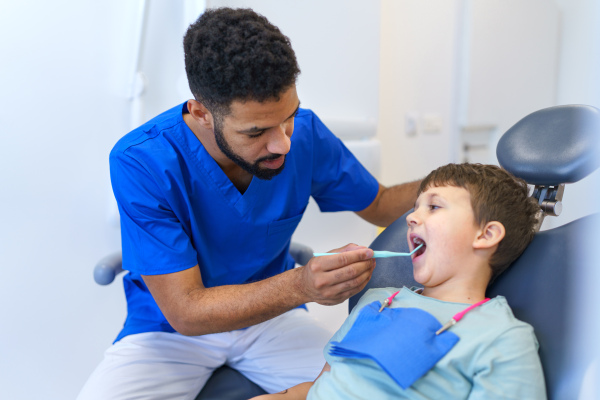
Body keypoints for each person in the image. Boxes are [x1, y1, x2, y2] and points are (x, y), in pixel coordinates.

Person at [77, 7, 420, 400]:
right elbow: (186, 311)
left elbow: (379, 202)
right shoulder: (142, 160)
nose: (283, 144)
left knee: (383, 392)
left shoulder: (304, 134)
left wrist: (461, 179)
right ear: (202, 113)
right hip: (168, 333)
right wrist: (302, 285)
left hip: (272, 321)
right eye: (256, 132)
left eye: (288, 117)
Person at [251, 163, 546, 399]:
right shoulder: (377, 301)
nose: (411, 218)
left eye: (434, 206)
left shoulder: (502, 338)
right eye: (414, 207)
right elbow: (325, 385)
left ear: (486, 235)